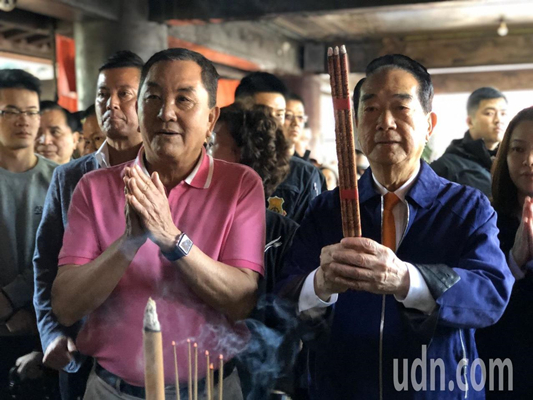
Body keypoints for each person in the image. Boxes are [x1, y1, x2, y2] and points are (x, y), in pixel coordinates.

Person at [277, 54, 514, 399]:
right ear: (354, 127)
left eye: (401, 108)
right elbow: (283, 297)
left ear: (429, 124)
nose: (384, 122)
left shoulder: (467, 208)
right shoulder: (326, 209)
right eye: (370, 109)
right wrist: (320, 284)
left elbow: (491, 294)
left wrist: (406, 279)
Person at [51, 48, 266, 400]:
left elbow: (241, 301)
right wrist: (128, 243)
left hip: (211, 390)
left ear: (211, 118)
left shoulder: (240, 185)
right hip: (112, 390)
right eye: (152, 98)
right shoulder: (95, 187)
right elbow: (65, 306)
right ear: (138, 111)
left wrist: (172, 239)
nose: (166, 112)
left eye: (183, 99)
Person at [33, 50, 144, 400]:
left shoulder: (166, 171)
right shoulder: (69, 177)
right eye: (102, 94)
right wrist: (51, 333)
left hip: (152, 354)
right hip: (82, 354)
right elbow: (45, 264)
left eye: (124, 94)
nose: (111, 104)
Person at [212, 103, 300, 399]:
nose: (200, 152)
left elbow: (287, 319)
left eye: (211, 143)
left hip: (259, 378)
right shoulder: (194, 221)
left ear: (242, 155)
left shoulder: (283, 233)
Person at [0, 69, 57, 397]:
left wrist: (12, 300)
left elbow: (64, 254)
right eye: (11, 111)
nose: (24, 120)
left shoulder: (61, 179)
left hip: (43, 331)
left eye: (31, 112)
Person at [476, 107, 533, 399]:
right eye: (518, 149)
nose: (529, 161)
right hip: (503, 372)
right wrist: (514, 262)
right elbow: (475, 308)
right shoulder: (484, 221)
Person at [235, 72, 323, 223]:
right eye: (263, 114)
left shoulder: (303, 174)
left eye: (280, 115)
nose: (273, 123)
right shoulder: (224, 161)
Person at [431, 87, 509, 197]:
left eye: (503, 114)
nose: (498, 120)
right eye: (489, 113)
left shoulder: (512, 160)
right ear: (470, 121)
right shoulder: (447, 167)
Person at [35, 101, 81, 165]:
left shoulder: (87, 171)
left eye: (55, 132)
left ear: (74, 139)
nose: (45, 141)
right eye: (36, 132)